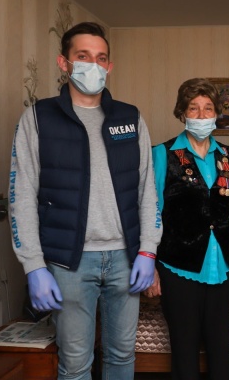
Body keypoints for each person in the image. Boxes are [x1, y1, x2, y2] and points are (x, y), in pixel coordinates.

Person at [8, 22, 162, 378]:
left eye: (101, 58)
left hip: (126, 258)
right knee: (76, 362)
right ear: (64, 63)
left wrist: (148, 250)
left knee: (122, 356)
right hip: (68, 263)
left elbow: (147, 189)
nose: (93, 65)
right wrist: (33, 266)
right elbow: (22, 195)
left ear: (110, 66)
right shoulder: (39, 118)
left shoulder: (130, 118)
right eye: (83, 56)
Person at [144, 78, 229, 379]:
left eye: (208, 108)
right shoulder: (162, 154)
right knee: (184, 350)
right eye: (194, 108)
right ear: (182, 113)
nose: (201, 115)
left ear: (216, 114)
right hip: (179, 265)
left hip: (224, 263)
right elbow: (151, 212)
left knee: (222, 348)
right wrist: (149, 266)